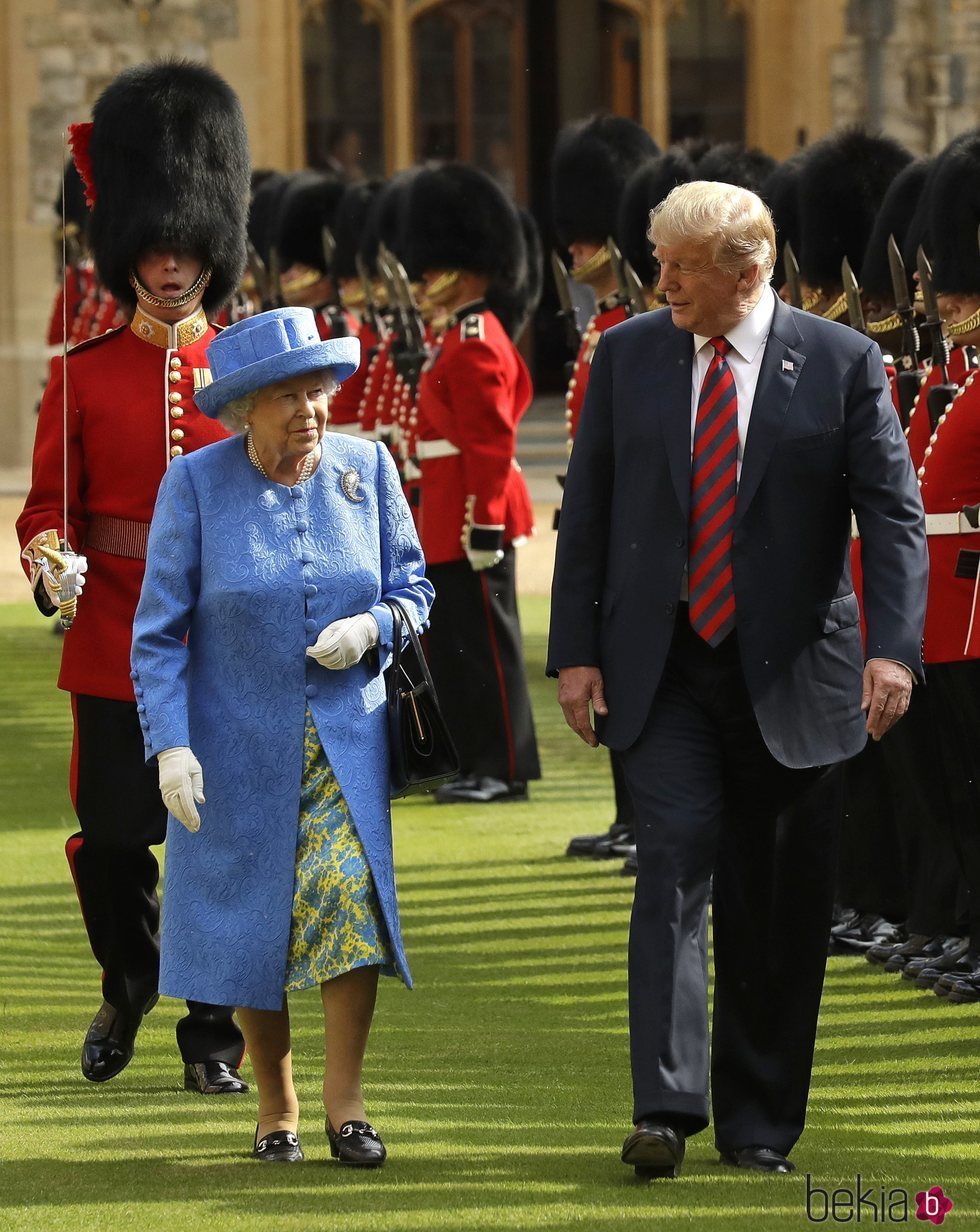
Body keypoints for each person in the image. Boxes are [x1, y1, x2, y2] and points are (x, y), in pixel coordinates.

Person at [547, 180, 927, 1178]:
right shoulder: (628, 354)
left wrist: (892, 646)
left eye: (678, 266)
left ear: (746, 267)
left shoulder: (841, 362)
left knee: (773, 899)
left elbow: (888, 514)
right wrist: (573, 650)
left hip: (795, 670)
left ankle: (757, 1121)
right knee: (668, 863)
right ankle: (663, 1109)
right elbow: (584, 509)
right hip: (661, 662)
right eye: (655, 260)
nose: (657, 280)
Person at [131, 306, 434, 1164]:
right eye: (286, 397)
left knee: (347, 904)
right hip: (233, 747)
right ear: (243, 410)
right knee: (252, 918)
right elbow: (157, 634)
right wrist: (172, 746)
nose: (309, 410)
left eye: (317, 391)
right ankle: (277, 1105)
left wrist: (374, 627)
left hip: (345, 739)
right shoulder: (195, 484)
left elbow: (415, 588)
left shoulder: (366, 467)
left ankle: (348, 1104)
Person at [17, 60, 251, 1093]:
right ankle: (128, 977)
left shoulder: (251, 366)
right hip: (111, 633)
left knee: (214, 841)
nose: (168, 265)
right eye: (152, 248)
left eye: (185, 245)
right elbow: (44, 509)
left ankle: (213, 1035)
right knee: (115, 837)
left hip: (221, 641)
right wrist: (49, 562)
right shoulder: (81, 370)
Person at [403, 161, 541, 804]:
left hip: (471, 515)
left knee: (487, 647)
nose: (425, 279)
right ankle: (473, 760)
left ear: (470, 267)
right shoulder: (456, 335)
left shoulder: (477, 338)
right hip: (448, 511)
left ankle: (504, 768)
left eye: (435, 267)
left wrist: (485, 515)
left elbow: (491, 441)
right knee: (458, 648)